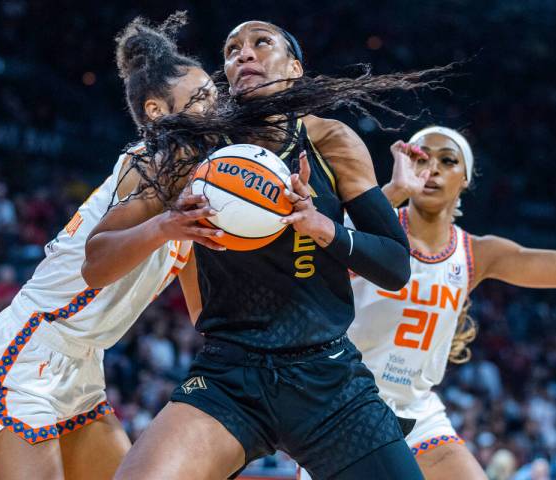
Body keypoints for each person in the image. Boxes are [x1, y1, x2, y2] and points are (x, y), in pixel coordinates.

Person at [84, 20, 440, 480]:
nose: (243, 54)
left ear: (294, 67)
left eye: (260, 42)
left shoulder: (332, 140)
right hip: (230, 376)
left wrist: (322, 227)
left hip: (327, 378)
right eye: (232, 50)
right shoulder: (196, 147)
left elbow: (395, 265)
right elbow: (95, 263)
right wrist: (165, 226)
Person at [0, 14, 219, 479]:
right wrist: (167, 227)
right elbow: (97, 265)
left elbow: (206, 318)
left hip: (82, 366)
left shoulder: (197, 189)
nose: (214, 108)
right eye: (199, 99)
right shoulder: (147, 164)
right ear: (156, 111)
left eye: (214, 96)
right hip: (29, 349)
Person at [301, 122, 556, 479]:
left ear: (466, 178)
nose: (433, 168)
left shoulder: (475, 253)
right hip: (343, 400)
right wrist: (391, 191)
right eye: (421, 158)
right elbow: (320, 250)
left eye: (448, 160)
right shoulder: (372, 229)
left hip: (416, 409)